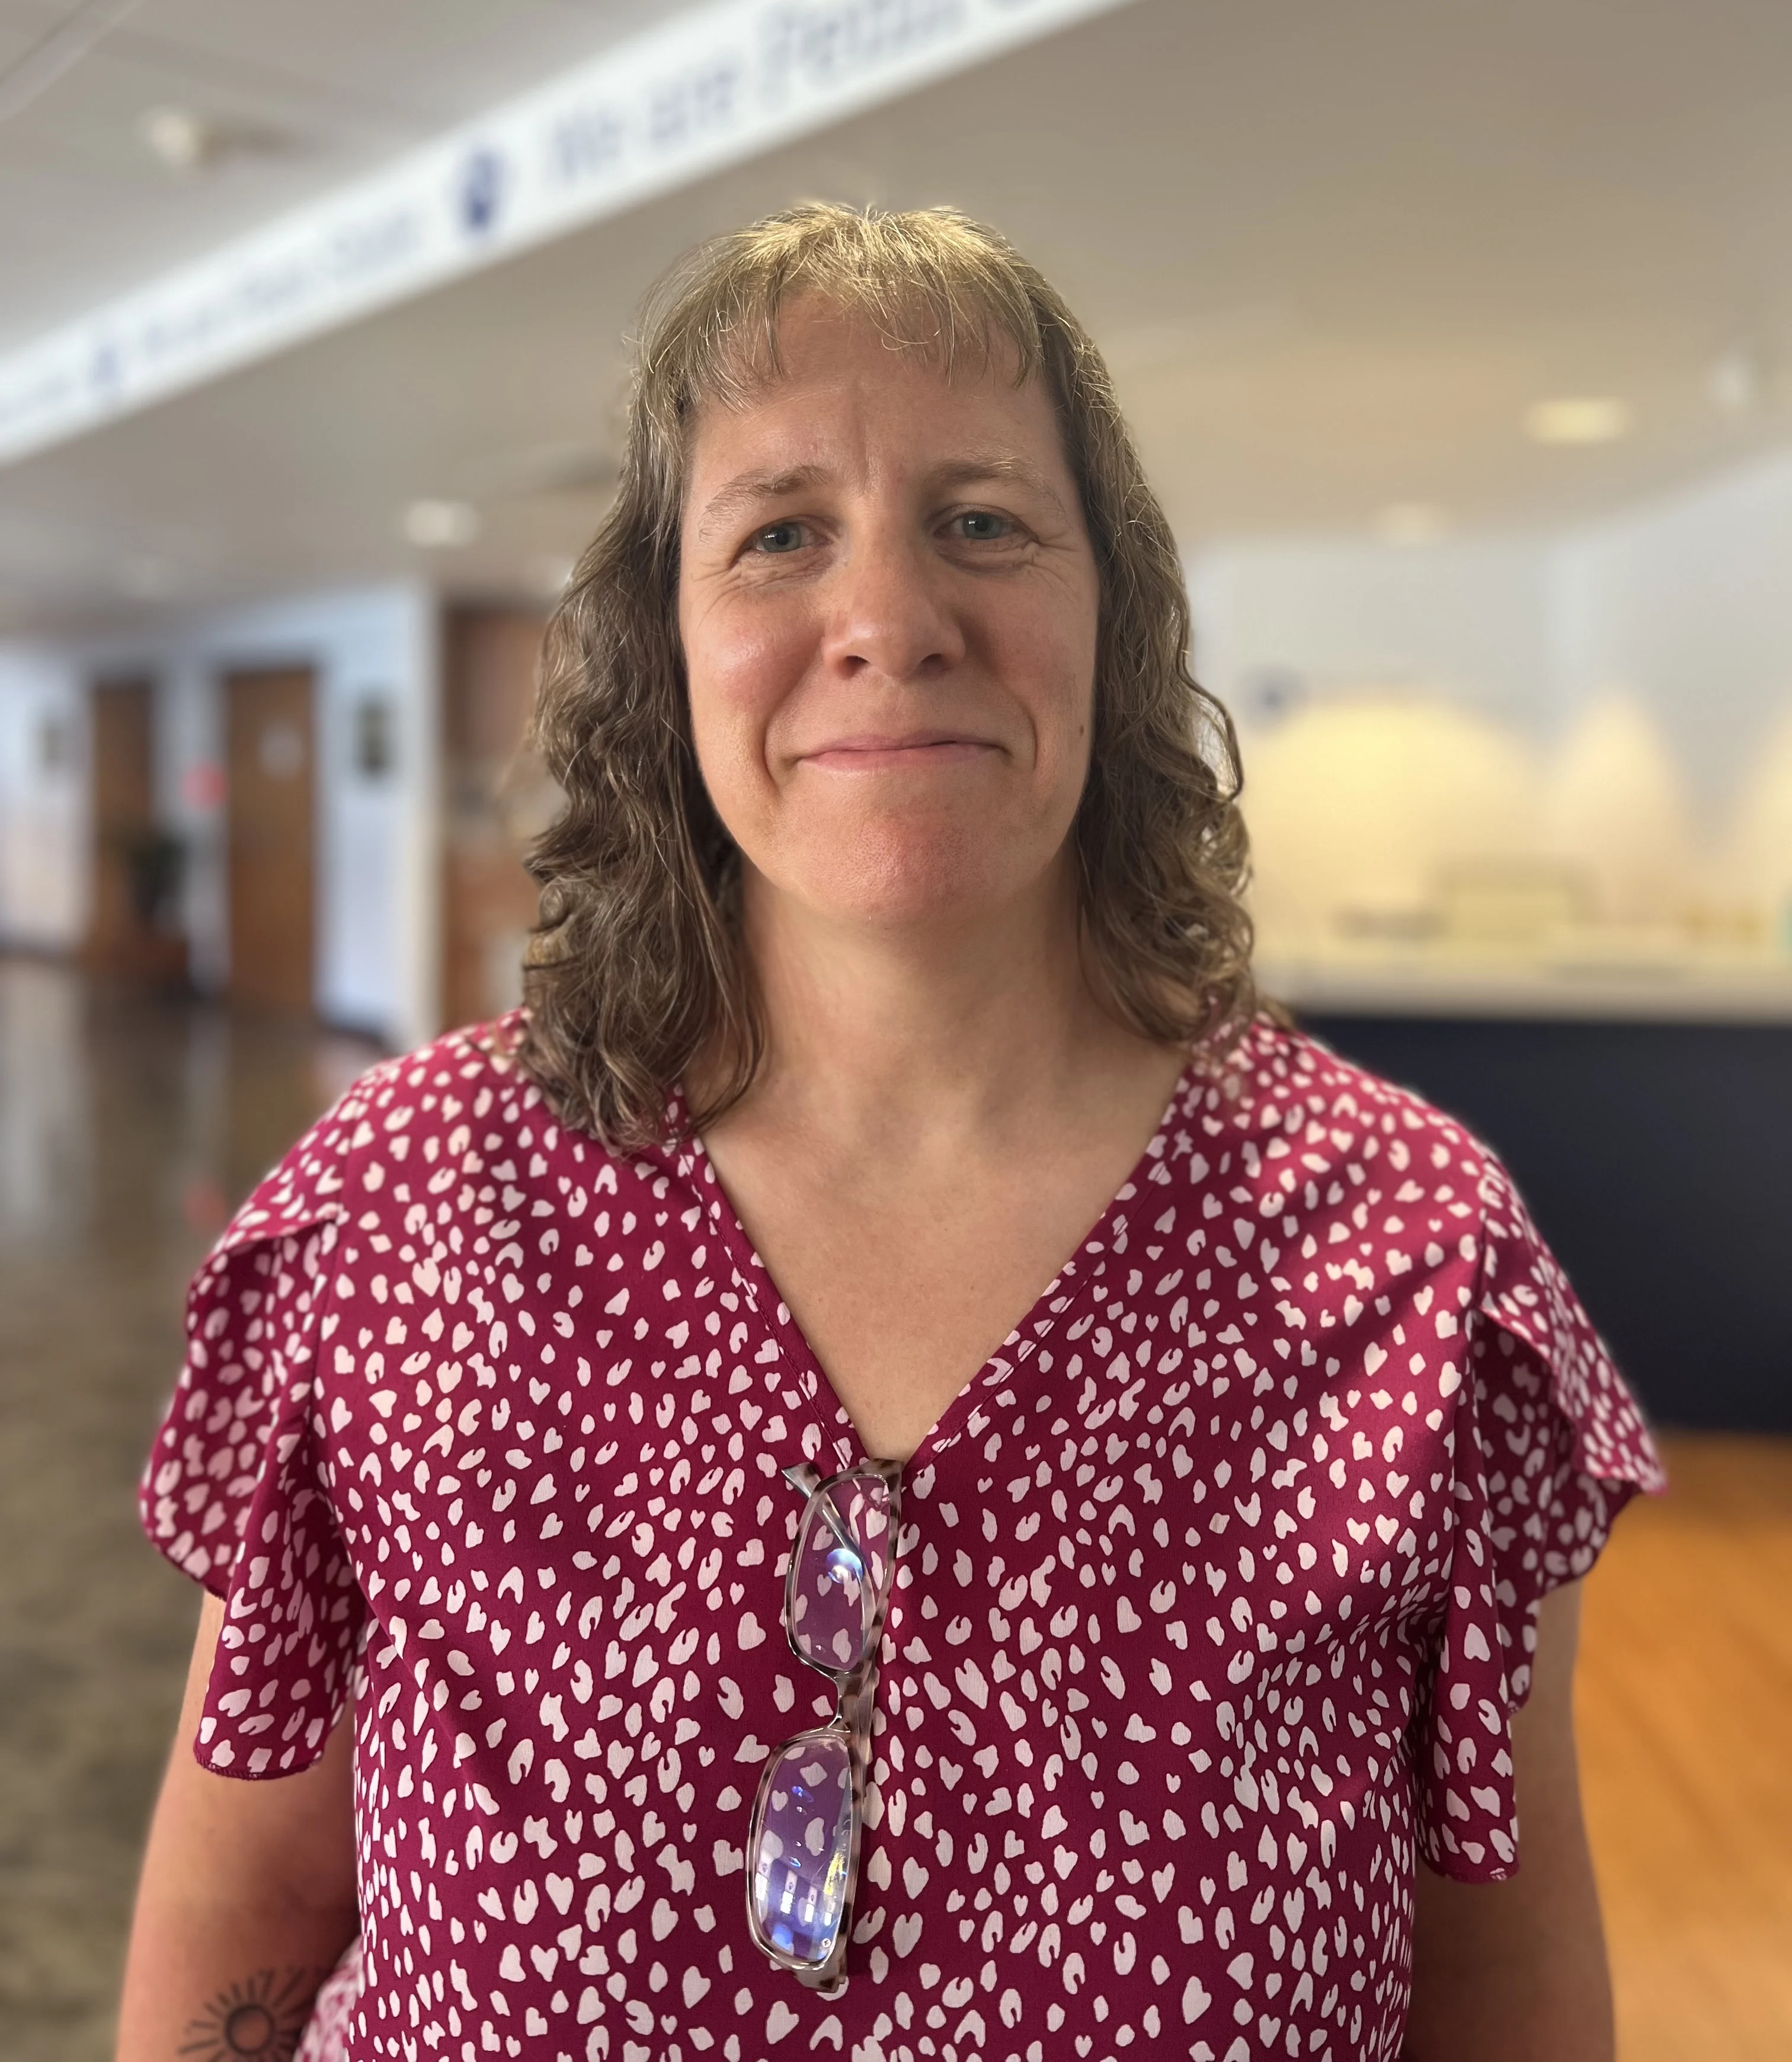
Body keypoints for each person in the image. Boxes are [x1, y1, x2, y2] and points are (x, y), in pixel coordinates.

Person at [119, 203, 1660, 2062]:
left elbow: (1502, 1992)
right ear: (661, 646)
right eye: (780, 535)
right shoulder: (396, 1217)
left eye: (986, 523)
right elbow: (247, 1919)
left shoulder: (1410, 1259)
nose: (889, 623)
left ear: (1119, 613)